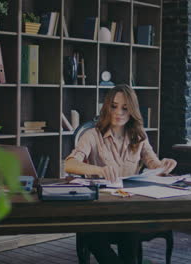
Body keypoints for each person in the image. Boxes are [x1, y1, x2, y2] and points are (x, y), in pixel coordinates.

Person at [64, 84, 177, 264]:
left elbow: (154, 164)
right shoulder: (92, 135)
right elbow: (69, 164)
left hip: (127, 208)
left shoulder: (139, 136)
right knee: (91, 232)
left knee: (129, 231)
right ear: (107, 106)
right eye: (114, 106)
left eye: (125, 108)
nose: (119, 112)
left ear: (132, 111)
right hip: (99, 210)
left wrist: (165, 166)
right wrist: (99, 170)